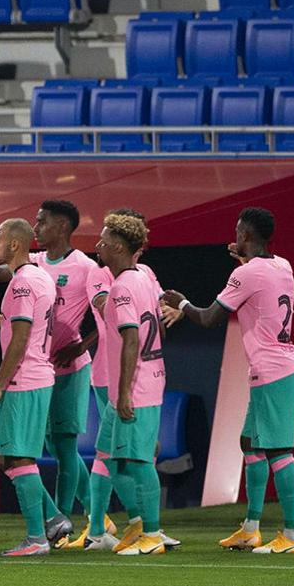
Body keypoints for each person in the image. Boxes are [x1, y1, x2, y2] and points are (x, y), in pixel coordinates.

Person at [162, 207, 294, 554]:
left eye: (238, 232)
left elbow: (210, 318)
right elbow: (259, 287)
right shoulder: (281, 265)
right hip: (277, 365)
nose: (235, 237)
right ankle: (251, 528)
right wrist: (243, 262)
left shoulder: (247, 274)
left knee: (279, 450)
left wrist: (181, 302)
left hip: (274, 370)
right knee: (250, 443)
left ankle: (293, 534)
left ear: (247, 235)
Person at [0, 200, 99, 538]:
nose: (38, 227)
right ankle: (56, 518)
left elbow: (20, 338)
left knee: (54, 447)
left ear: (62, 226)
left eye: (43, 222)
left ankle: (77, 518)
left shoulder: (81, 267)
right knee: (13, 454)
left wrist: (81, 344)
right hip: (41, 368)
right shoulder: (36, 267)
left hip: (49, 369)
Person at [0, 218, 71, 557]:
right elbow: (22, 326)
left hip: (24, 379)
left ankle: (37, 538)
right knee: (2, 455)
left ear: (16, 245)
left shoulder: (23, 283)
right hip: (36, 377)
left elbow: (20, 340)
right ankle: (52, 517)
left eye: (0, 239)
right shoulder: (36, 275)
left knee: (18, 457)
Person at [93, 212, 169, 556]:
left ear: (120, 246)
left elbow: (131, 341)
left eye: (105, 241)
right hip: (142, 382)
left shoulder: (123, 286)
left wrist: (124, 392)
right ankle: (139, 524)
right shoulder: (142, 279)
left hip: (135, 388)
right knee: (112, 458)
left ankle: (153, 533)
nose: (99, 245)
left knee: (137, 461)